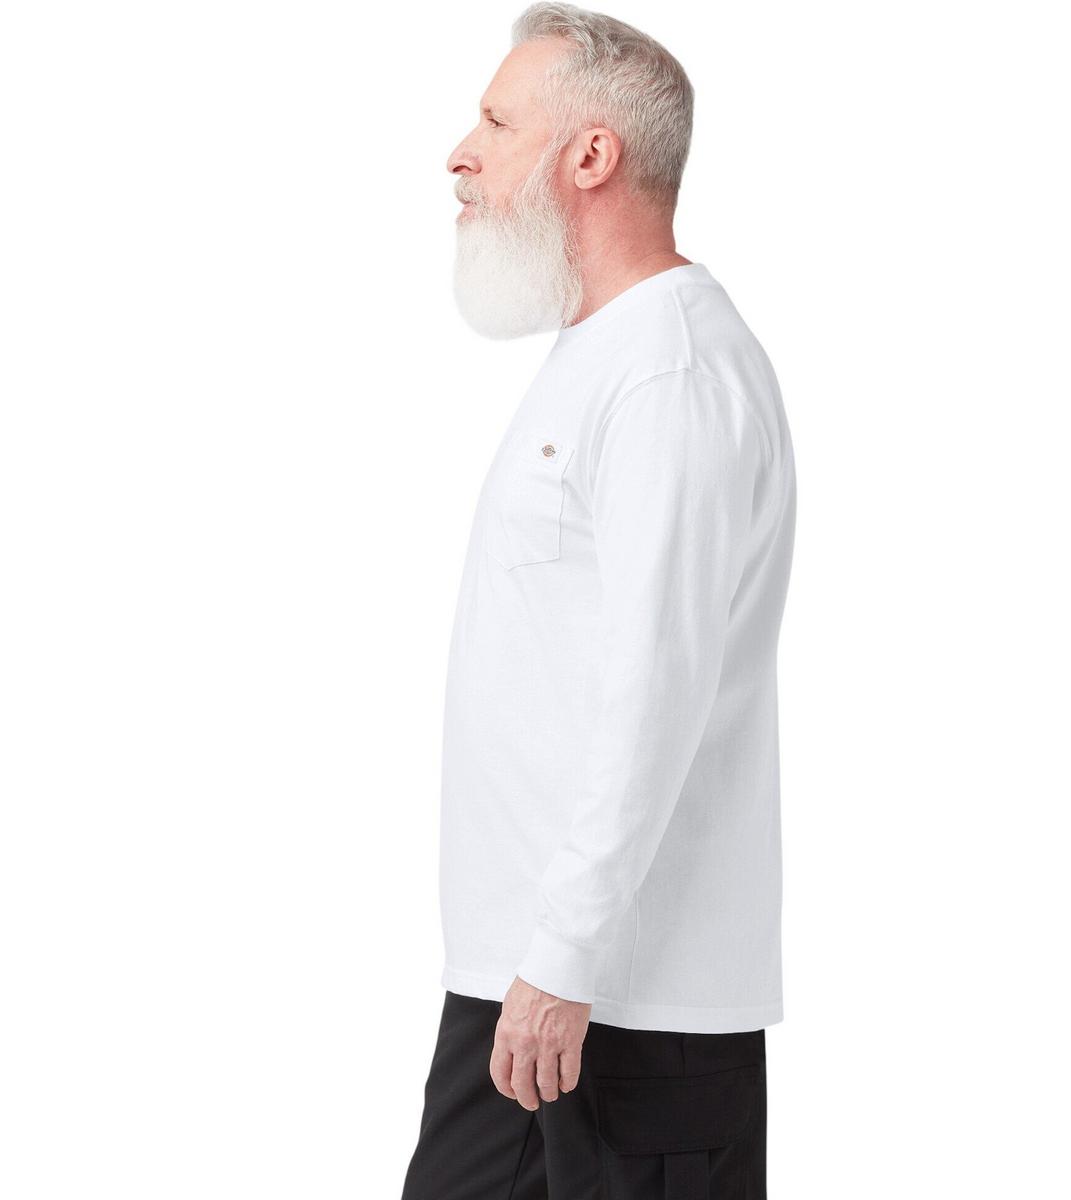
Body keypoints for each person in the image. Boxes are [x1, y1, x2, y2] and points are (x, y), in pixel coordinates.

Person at [401, 4, 796, 1196]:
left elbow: (654, 690)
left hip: (608, 1014)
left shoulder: (671, 375)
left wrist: (564, 961)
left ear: (590, 156)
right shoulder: (609, 355)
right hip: (542, 991)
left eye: (497, 122)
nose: (461, 154)